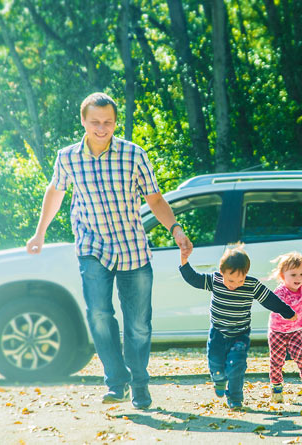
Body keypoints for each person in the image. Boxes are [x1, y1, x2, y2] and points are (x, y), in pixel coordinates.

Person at [25, 92, 192, 409]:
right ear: (84, 122)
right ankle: (117, 382)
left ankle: (140, 384)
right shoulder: (68, 157)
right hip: (92, 244)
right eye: (95, 122)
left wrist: (176, 229)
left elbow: (154, 199)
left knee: (138, 324)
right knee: (100, 315)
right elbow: (56, 192)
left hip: (132, 247)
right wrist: (40, 233)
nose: (102, 128)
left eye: (108, 122)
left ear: (115, 122)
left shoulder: (134, 155)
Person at [178, 245, 296, 411]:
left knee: (237, 364)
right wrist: (184, 262)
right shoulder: (215, 280)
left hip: (240, 334)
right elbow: (194, 279)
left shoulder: (251, 285)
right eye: (231, 280)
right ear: (222, 272)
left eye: (240, 280)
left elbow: (269, 299)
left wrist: (287, 312)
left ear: (246, 275)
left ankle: (235, 398)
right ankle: (218, 378)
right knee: (215, 361)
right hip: (218, 332)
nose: (235, 284)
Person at [267, 251, 302, 403]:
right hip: (277, 331)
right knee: (277, 360)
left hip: (294, 330)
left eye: (301, 274)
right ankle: (276, 386)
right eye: (293, 275)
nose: (298, 278)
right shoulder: (280, 292)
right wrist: (288, 313)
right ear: (282, 276)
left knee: (300, 354)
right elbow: (277, 307)